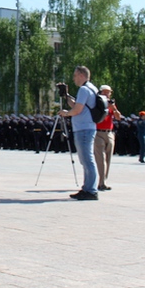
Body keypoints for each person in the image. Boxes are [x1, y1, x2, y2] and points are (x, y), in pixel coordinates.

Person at [59, 66, 99, 200]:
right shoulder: (92, 88)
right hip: (88, 127)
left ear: (81, 75)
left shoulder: (83, 89)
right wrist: (66, 96)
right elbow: (77, 105)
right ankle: (87, 188)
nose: (74, 78)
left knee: (87, 160)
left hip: (83, 128)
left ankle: (91, 190)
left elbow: (77, 110)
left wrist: (66, 114)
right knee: (86, 160)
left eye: (75, 75)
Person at [93, 84, 122, 190]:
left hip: (109, 132)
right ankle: (102, 183)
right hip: (98, 133)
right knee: (101, 158)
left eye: (108, 92)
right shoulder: (97, 103)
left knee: (108, 158)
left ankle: (104, 180)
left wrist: (114, 109)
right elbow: (97, 117)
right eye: (104, 92)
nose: (106, 94)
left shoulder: (111, 105)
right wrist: (106, 108)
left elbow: (118, 117)